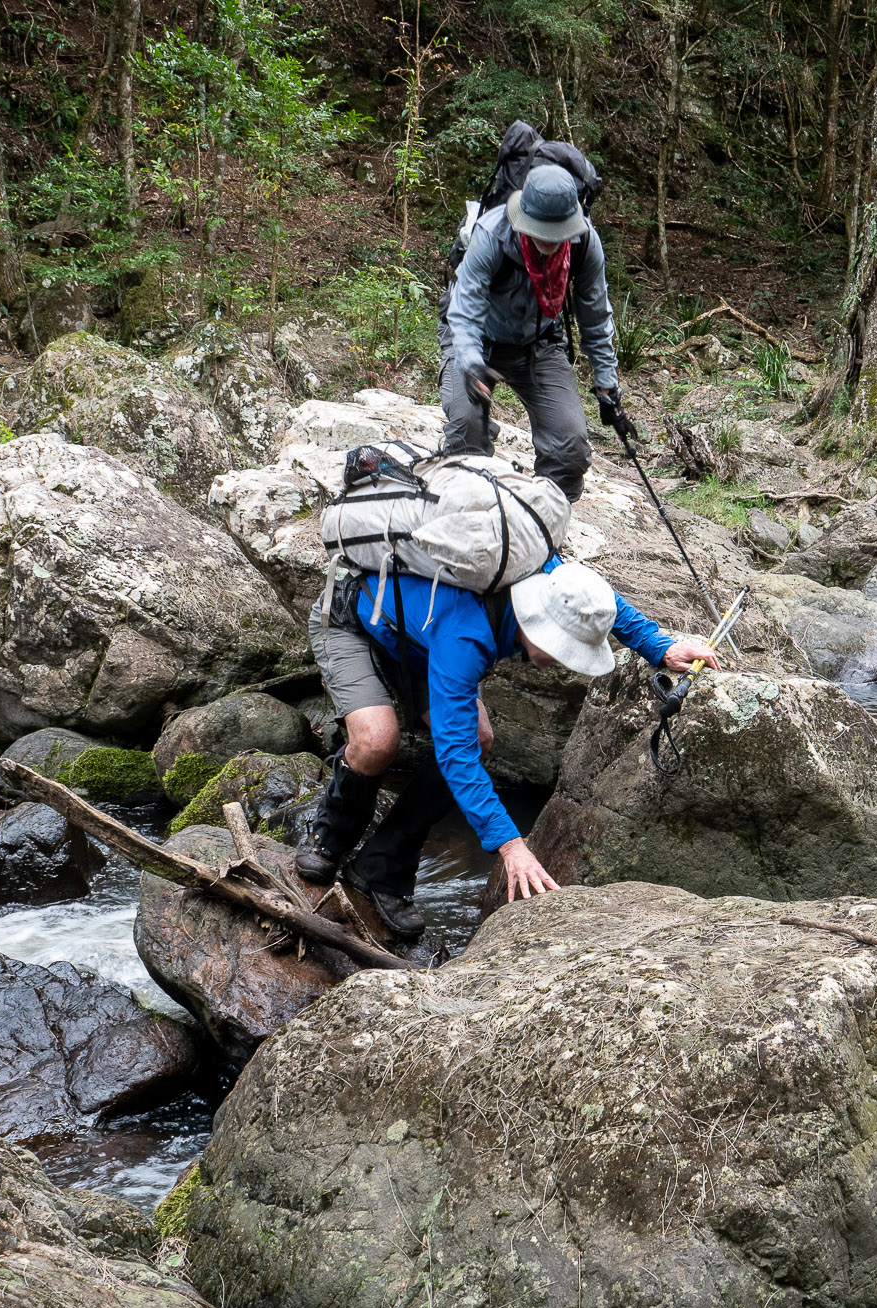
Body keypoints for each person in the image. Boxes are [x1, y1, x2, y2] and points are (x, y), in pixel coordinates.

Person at [299, 559, 719, 934]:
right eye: (563, 648)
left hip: (421, 636)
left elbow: (598, 600)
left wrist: (659, 645)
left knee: (482, 738)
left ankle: (379, 871)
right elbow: (454, 753)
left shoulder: (537, 569)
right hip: (355, 619)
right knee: (377, 742)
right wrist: (510, 844)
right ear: (539, 623)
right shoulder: (468, 636)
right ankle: (329, 839)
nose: (565, 660)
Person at [440, 162, 628, 504]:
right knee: (466, 431)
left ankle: (542, 527)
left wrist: (607, 384)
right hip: (475, 339)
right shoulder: (492, 233)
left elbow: (596, 317)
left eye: (556, 233)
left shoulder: (584, 242)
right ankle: (469, 519)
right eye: (540, 230)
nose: (549, 240)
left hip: (539, 342)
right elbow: (464, 310)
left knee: (570, 448)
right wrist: (470, 364)